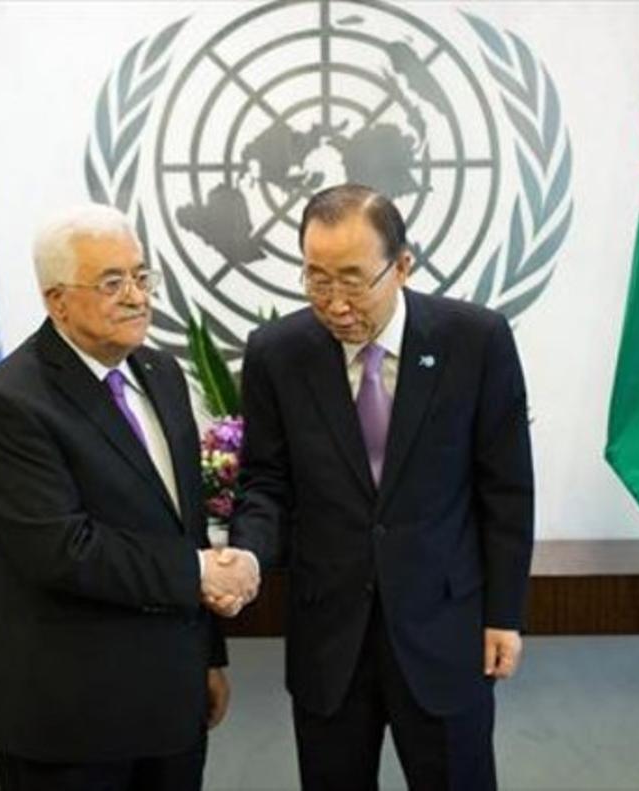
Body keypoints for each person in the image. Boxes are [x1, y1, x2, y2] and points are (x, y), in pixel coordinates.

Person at [228, 184, 534, 790]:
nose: (335, 304)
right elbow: (265, 481)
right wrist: (248, 555)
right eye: (316, 280)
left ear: (402, 266)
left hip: (445, 631)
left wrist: (504, 614)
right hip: (329, 639)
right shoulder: (277, 353)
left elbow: (506, 490)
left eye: (352, 280)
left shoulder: (475, 340)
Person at [0, 204, 259, 791]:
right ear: (57, 301)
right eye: (111, 282)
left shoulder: (162, 373)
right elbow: (62, 549)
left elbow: (183, 526)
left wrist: (208, 657)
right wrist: (198, 572)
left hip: (172, 704)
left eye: (142, 276)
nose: (136, 297)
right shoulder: (11, 402)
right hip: (70, 719)